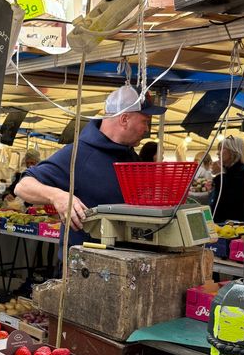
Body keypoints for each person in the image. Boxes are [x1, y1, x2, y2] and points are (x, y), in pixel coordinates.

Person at [15, 85, 166, 248]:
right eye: (145, 121)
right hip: (87, 260)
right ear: (124, 119)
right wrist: (57, 196)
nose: (147, 129)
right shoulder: (79, 153)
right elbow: (23, 186)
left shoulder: (130, 156)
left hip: (129, 257)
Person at [210, 136, 244, 223]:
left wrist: (220, 175)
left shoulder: (242, 172)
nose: (218, 153)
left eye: (222, 149)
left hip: (232, 225)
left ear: (233, 151)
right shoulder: (228, 171)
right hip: (221, 223)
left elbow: (230, 199)